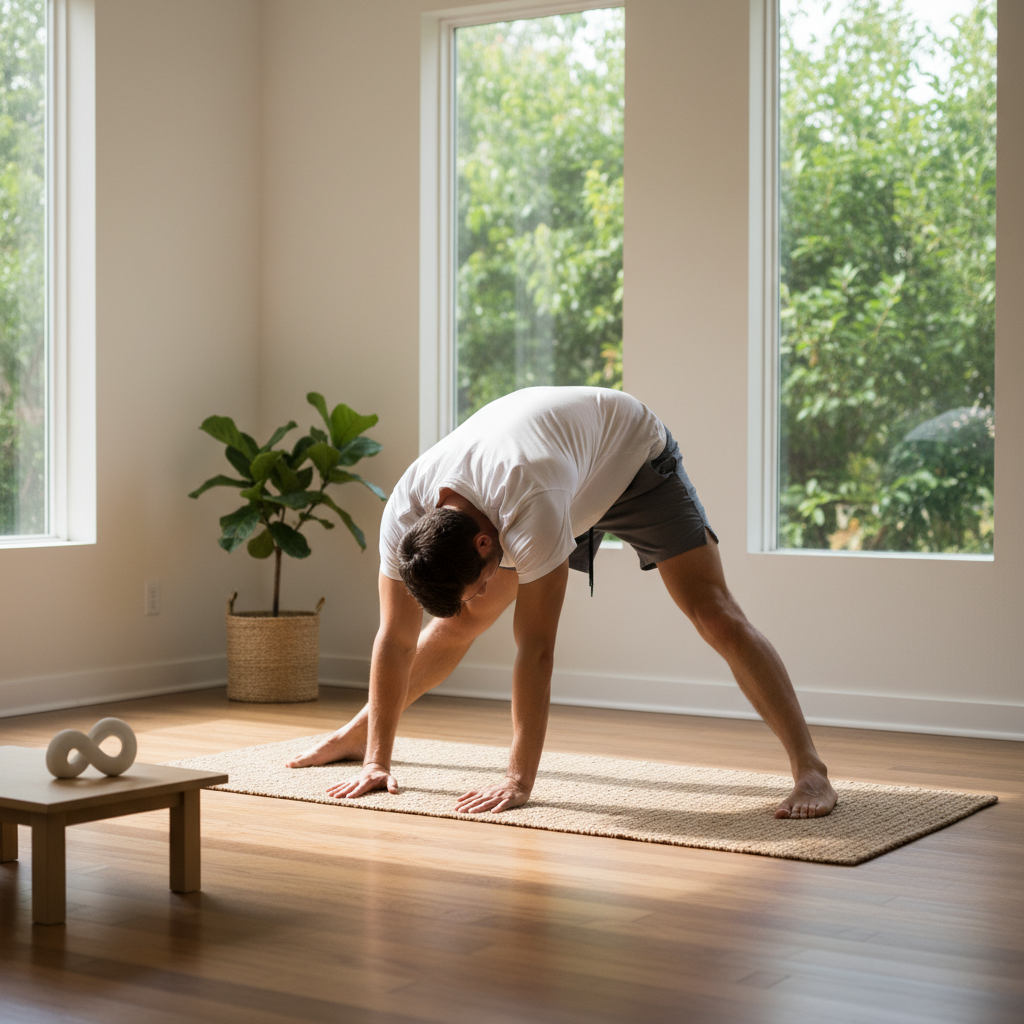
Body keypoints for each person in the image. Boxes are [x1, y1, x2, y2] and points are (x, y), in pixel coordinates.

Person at [287, 386, 838, 819]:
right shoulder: (406, 515)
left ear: (485, 545)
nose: (485, 592)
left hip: (630, 461)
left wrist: (517, 779)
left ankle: (810, 768)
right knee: (460, 624)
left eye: (480, 582)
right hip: (556, 469)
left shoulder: (530, 502)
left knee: (715, 614)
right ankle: (362, 736)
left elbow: (536, 649)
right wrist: (378, 761)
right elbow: (395, 637)